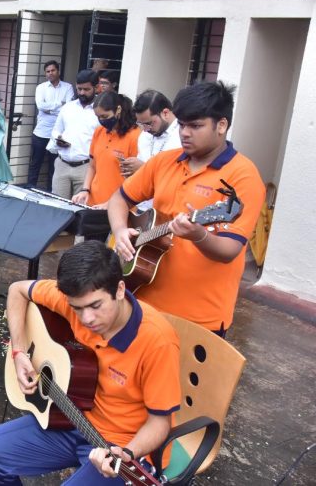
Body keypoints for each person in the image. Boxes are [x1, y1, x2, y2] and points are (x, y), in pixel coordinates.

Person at [0, 241, 181, 486]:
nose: (87, 318)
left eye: (96, 306)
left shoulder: (158, 341)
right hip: (70, 418)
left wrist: (127, 453)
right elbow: (17, 290)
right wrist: (19, 352)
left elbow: (160, 423)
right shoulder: (72, 297)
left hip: (122, 446)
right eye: (77, 308)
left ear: (120, 290)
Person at [108, 81, 265, 335]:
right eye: (182, 124)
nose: (185, 133)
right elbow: (119, 199)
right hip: (141, 302)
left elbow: (229, 250)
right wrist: (121, 231)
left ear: (221, 125)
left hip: (199, 318)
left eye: (196, 126)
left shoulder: (243, 177)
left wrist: (199, 235)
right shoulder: (164, 162)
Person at [72, 91, 140, 209]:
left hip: (119, 206)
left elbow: (136, 179)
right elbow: (92, 166)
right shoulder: (99, 131)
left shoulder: (135, 136)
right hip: (94, 203)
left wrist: (112, 203)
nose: (102, 120)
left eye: (105, 116)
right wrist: (85, 190)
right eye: (98, 117)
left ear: (118, 110)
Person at [119, 90, 182, 211]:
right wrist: (131, 171)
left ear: (165, 113)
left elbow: (179, 179)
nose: (146, 129)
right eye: (140, 124)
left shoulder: (182, 136)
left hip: (167, 209)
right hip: (141, 206)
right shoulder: (144, 135)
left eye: (149, 123)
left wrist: (144, 169)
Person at [48, 69, 100, 199]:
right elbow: (56, 130)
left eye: (86, 89)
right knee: (57, 207)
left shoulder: (100, 110)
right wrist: (58, 139)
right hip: (62, 164)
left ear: (96, 88)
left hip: (86, 167)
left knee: (79, 210)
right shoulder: (68, 107)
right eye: (79, 89)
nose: (82, 93)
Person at [29, 60, 74, 190]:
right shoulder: (41, 88)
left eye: (53, 70)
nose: (50, 73)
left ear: (58, 71)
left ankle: (51, 192)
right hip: (41, 133)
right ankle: (30, 189)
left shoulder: (68, 87)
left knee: (54, 166)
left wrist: (51, 109)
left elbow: (69, 108)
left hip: (58, 134)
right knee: (35, 164)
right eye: (47, 71)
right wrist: (60, 105)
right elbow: (40, 106)